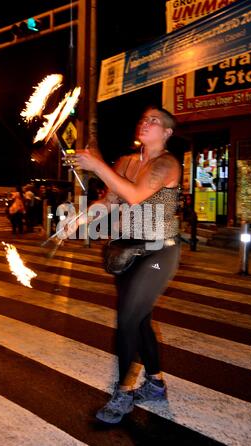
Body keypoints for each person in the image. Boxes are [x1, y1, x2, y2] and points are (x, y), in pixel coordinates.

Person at [74, 106, 181, 424]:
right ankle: (156, 384)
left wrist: (96, 165)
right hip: (125, 252)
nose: (146, 122)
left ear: (166, 133)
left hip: (159, 254)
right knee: (141, 320)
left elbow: (134, 195)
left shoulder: (167, 164)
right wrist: (83, 217)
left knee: (128, 319)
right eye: (143, 118)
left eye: (155, 121)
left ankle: (123, 393)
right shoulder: (126, 162)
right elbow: (112, 200)